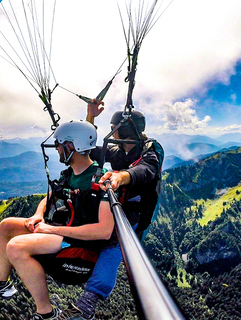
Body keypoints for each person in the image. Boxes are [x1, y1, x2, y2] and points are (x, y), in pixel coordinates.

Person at [0, 120, 115, 320]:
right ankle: (0, 284)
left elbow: (104, 231)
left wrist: (52, 230)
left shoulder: (101, 180)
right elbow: (52, 196)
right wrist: (38, 215)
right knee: (6, 226)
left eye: (60, 145)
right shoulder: (72, 173)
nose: (57, 150)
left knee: (16, 246)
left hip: (82, 247)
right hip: (65, 232)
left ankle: (46, 313)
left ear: (71, 147)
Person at [57, 101, 163, 320]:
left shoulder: (150, 150)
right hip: (112, 205)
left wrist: (120, 177)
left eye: (115, 130)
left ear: (122, 130)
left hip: (134, 210)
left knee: (115, 244)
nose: (113, 134)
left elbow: (145, 170)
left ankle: (86, 305)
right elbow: (83, 149)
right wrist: (90, 117)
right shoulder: (117, 151)